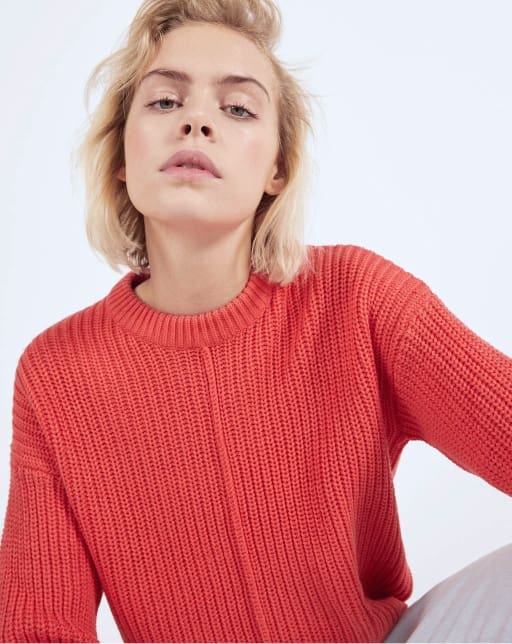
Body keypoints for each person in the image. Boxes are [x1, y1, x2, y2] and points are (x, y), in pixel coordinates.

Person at [0, 0, 510, 642]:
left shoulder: (357, 297)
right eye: (164, 101)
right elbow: (39, 627)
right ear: (122, 155)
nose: (195, 123)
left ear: (277, 168)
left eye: (238, 108)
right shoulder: (56, 373)